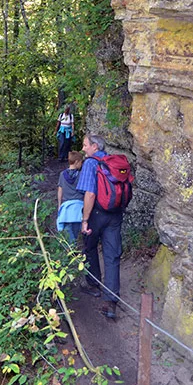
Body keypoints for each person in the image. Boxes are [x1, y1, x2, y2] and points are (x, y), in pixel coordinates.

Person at [77, 134, 122, 319]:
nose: (83, 148)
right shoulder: (113, 161)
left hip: (96, 213)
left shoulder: (90, 163)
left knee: (89, 246)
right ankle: (110, 301)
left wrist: (85, 220)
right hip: (115, 214)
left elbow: (90, 194)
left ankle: (93, 284)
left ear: (95, 146)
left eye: (85, 145)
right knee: (112, 254)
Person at [56, 151, 84, 243]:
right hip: (79, 207)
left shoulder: (62, 174)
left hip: (66, 207)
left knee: (68, 229)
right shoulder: (81, 175)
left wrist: (59, 204)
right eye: (81, 162)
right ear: (76, 162)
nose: (81, 164)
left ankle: (72, 248)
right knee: (76, 229)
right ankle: (74, 247)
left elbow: (60, 190)